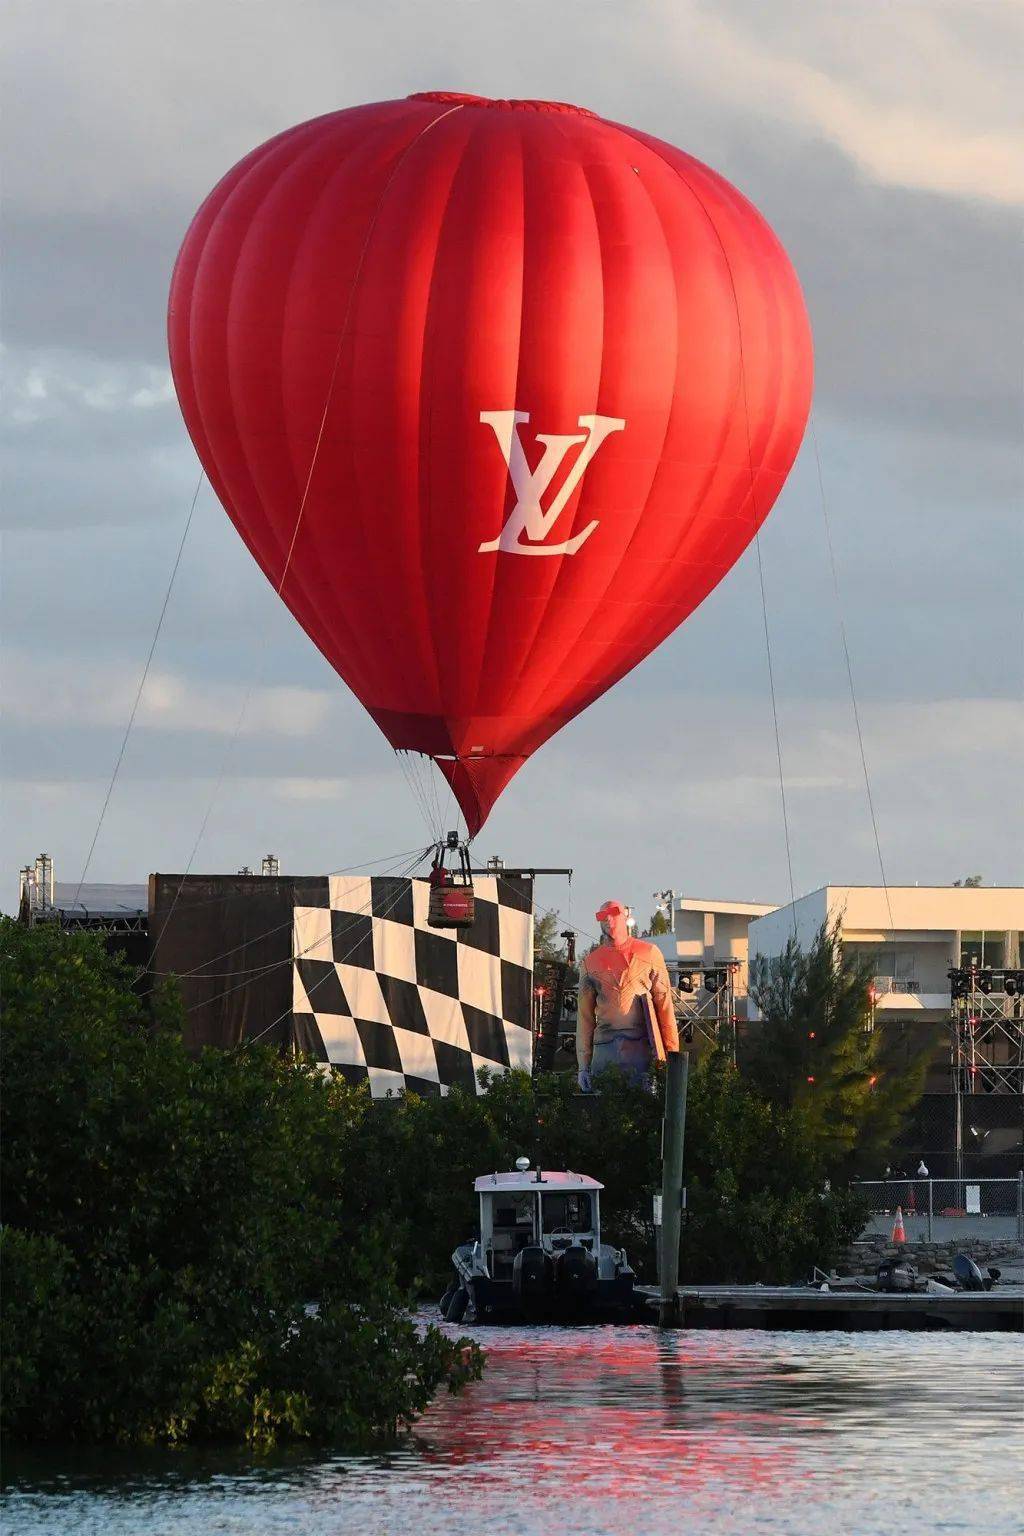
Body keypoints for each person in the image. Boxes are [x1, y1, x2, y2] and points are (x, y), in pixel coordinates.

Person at [576, 899, 679, 1091]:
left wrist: (671, 1056)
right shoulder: (590, 963)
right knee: (607, 1111)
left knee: (643, 1111)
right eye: (602, 917)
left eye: (614, 914)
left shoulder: (649, 953)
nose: (609, 921)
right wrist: (583, 1066)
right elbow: (584, 1019)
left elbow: (665, 1007)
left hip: (642, 1049)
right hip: (606, 1050)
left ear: (625, 916)